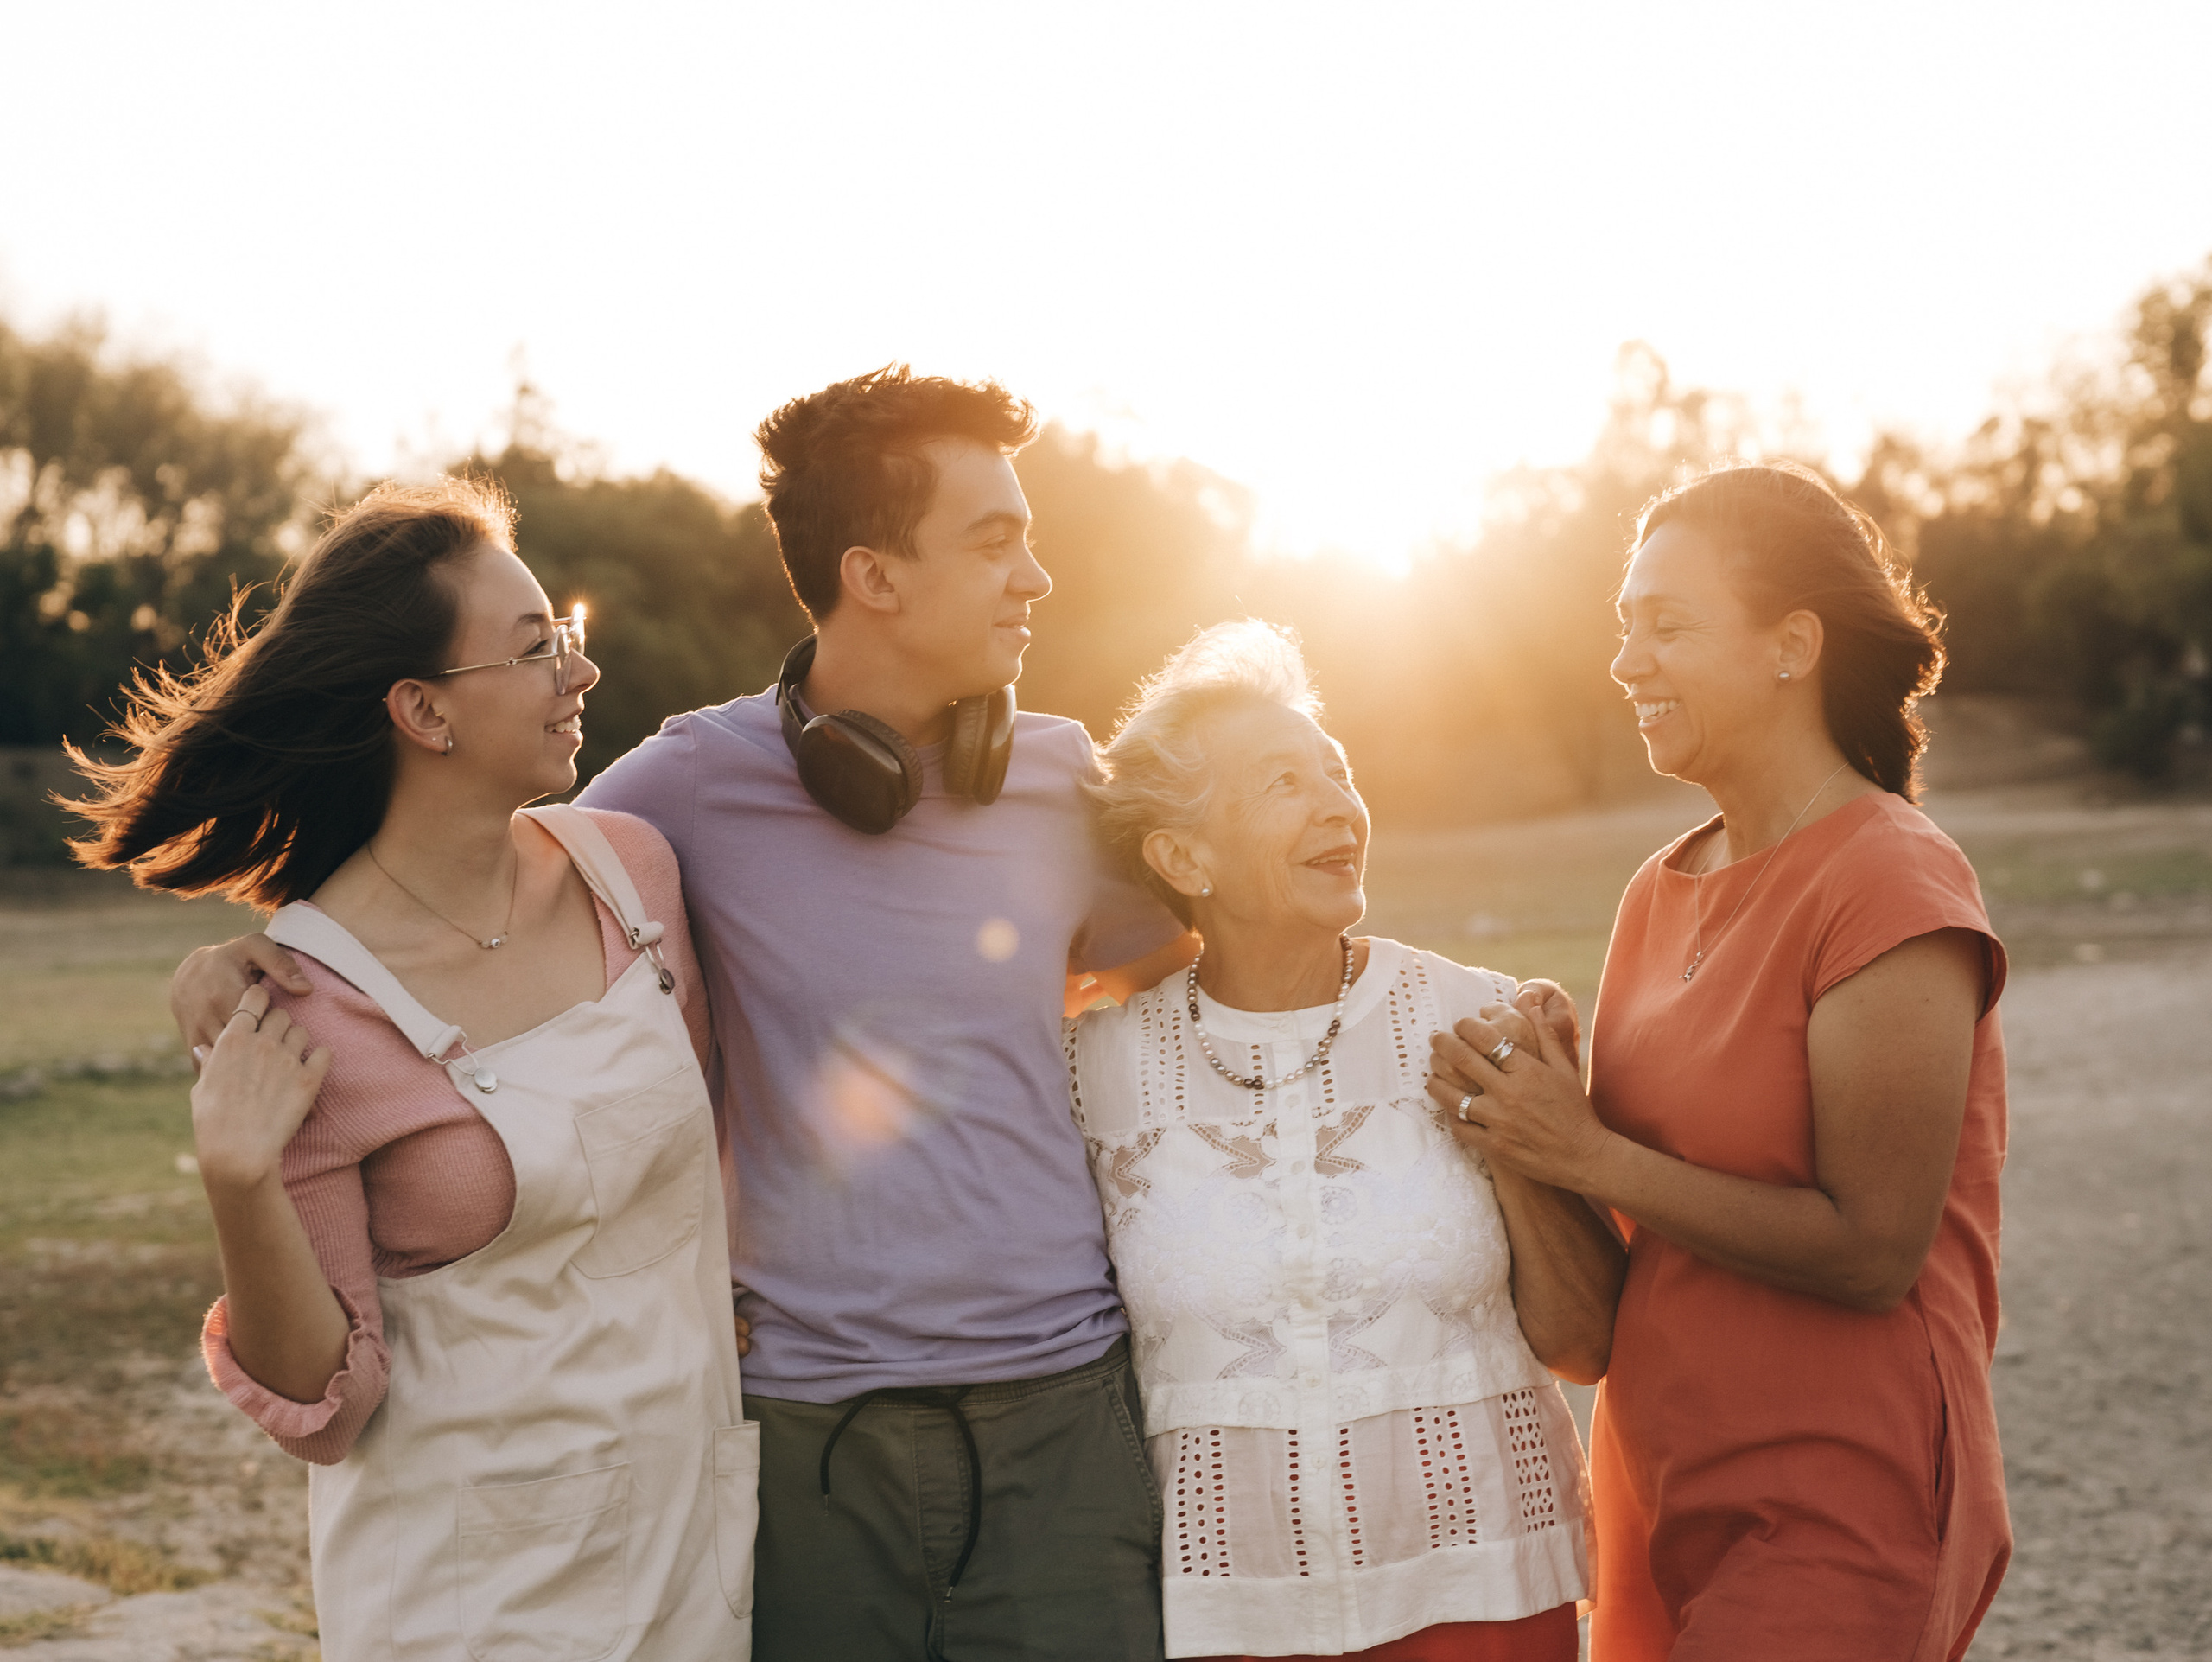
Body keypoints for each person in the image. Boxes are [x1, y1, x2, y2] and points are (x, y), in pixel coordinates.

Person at [172, 368, 1194, 1661]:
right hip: (800, 1440)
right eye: (996, 541)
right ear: (873, 574)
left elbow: (1188, 961)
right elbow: (453, 853)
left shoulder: (1051, 777)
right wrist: (236, 961)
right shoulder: (677, 801)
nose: (1037, 576)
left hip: (1057, 1409)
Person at [88, 479, 753, 1659]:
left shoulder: (634, 877)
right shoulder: (306, 1002)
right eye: (537, 647)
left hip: (692, 1546)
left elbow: (711, 1164)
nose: (580, 673)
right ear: (424, 711)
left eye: (569, 636)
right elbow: (324, 1399)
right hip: (465, 1594)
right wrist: (240, 1177)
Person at [1425, 462, 2010, 1661]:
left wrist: (1586, 1144)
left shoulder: (1889, 877)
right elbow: (1623, 1255)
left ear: (1791, 645)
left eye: (1667, 625)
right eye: (1623, 625)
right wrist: (1542, 1108)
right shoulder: (1658, 886)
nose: (1626, 661)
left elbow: (1872, 1247)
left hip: (1843, 1495)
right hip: (1661, 1487)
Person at [1071, 620, 1625, 1662]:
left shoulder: (1480, 1017)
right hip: (1225, 1612)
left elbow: (1584, 1341)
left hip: (1485, 1588)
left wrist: (1510, 1139)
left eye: (1339, 772)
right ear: (1181, 855)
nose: (1338, 806)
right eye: (1283, 783)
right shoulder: (1090, 1072)